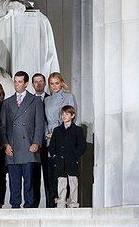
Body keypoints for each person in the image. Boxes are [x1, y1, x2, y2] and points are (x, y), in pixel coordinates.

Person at [0, 71, 45, 208]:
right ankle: (15, 208)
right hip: (12, 148)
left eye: (19, 82)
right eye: (15, 81)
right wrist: (6, 144)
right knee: (14, 182)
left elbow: (40, 123)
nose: (16, 84)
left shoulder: (35, 100)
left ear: (26, 84)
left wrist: (36, 142)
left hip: (29, 147)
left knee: (29, 183)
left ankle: (29, 208)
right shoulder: (7, 102)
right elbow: (2, 126)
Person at [43, 72, 78, 207]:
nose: (54, 86)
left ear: (62, 83)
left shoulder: (69, 97)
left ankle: (69, 200)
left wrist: (60, 134)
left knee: (67, 171)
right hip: (50, 137)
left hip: (64, 137)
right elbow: (44, 120)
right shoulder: (47, 100)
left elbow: (73, 117)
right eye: (52, 84)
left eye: (57, 83)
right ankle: (55, 200)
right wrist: (47, 134)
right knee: (53, 170)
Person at [48, 105, 86, 208]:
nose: (64, 116)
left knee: (73, 183)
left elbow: (82, 145)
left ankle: (74, 203)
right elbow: (52, 146)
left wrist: (74, 156)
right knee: (61, 183)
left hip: (71, 160)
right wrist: (55, 157)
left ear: (72, 115)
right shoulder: (57, 130)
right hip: (60, 161)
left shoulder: (77, 130)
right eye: (63, 114)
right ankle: (61, 203)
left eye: (67, 114)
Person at [30, 73, 53, 207]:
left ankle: (51, 205)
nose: (38, 84)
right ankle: (33, 205)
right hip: (34, 144)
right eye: (36, 82)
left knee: (49, 176)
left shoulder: (51, 99)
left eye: (41, 81)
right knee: (34, 177)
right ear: (32, 84)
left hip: (48, 143)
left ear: (45, 83)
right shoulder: (29, 100)